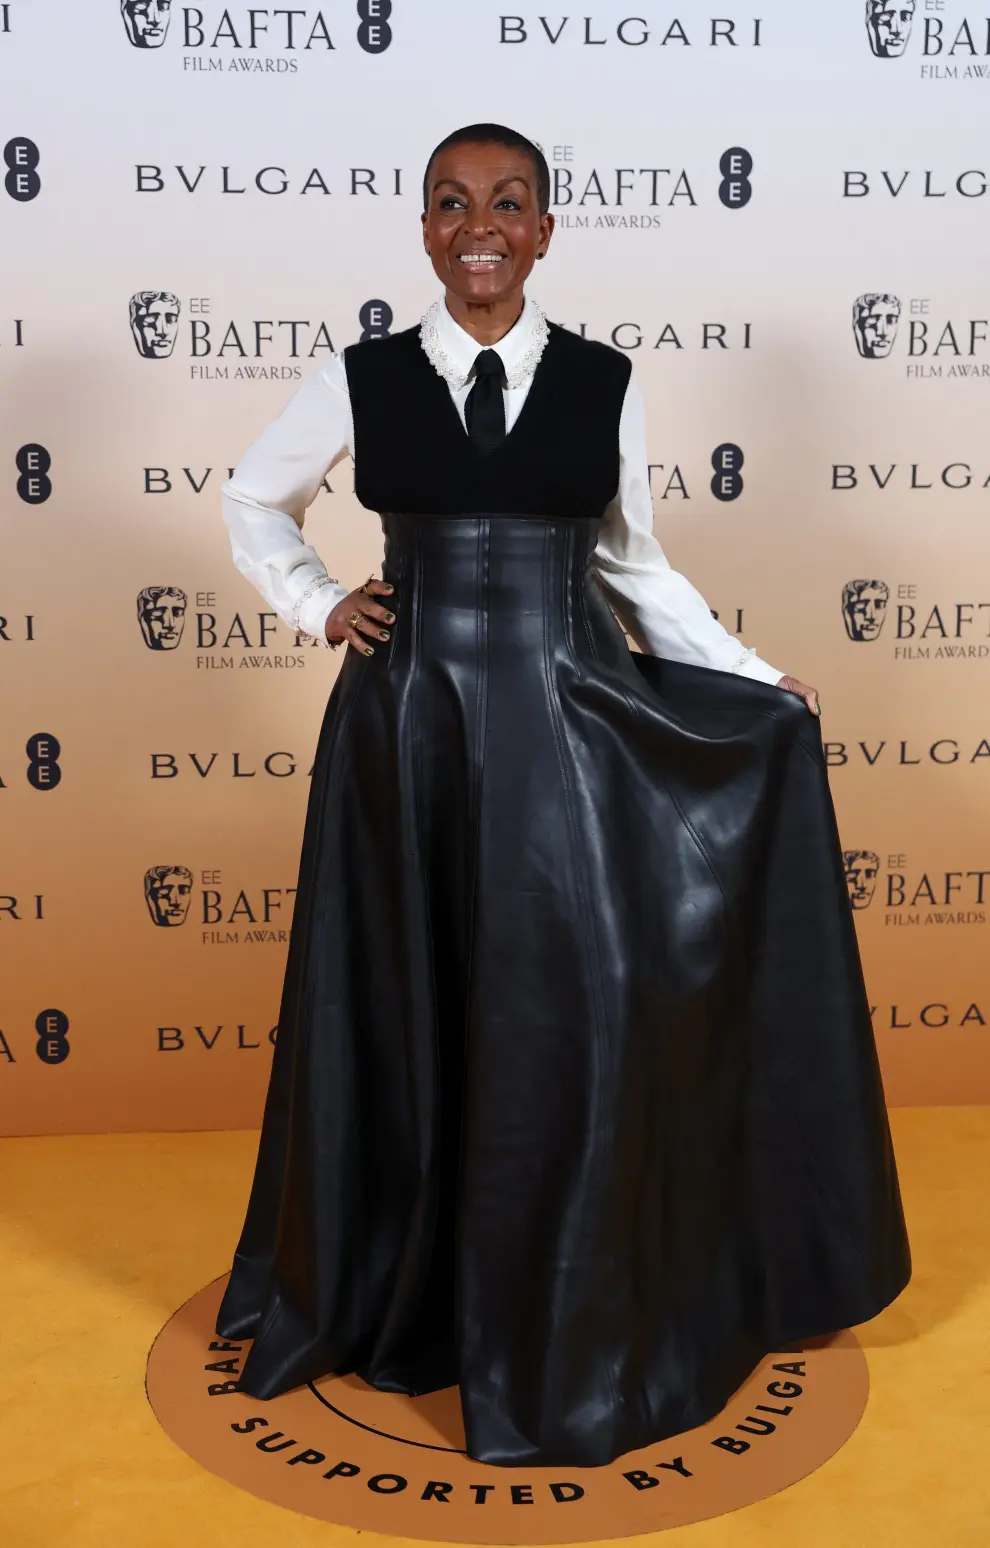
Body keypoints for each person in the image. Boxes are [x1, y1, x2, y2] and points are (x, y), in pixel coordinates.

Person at [215, 123, 911, 1469]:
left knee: (555, 1018)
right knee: (408, 1005)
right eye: (452, 204)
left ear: (543, 230)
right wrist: (313, 600)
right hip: (402, 734)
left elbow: (638, 570)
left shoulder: (603, 382)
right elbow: (253, 500)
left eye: (509, 203)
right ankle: (405, 1296)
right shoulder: (355, 377)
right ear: (424, 229)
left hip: (563, 726)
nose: (480, 225)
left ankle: (551, 1295)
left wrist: (760, 679)